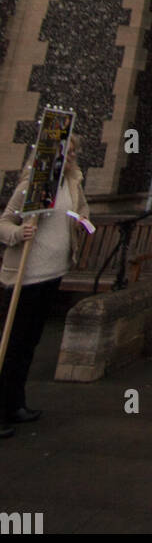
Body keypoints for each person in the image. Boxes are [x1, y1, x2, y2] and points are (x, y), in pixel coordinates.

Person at [0, 133, 89, 437]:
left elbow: (85, 218)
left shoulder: (71, 187)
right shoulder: (32, 186)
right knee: (9, 345)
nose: (69, 157)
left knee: (28, 345)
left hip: (52, 273)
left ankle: (15, 404)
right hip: (25, 276)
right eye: (65, 151)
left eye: (73, 152)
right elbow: (4, 223)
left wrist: (81, 224)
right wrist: (18, 233)